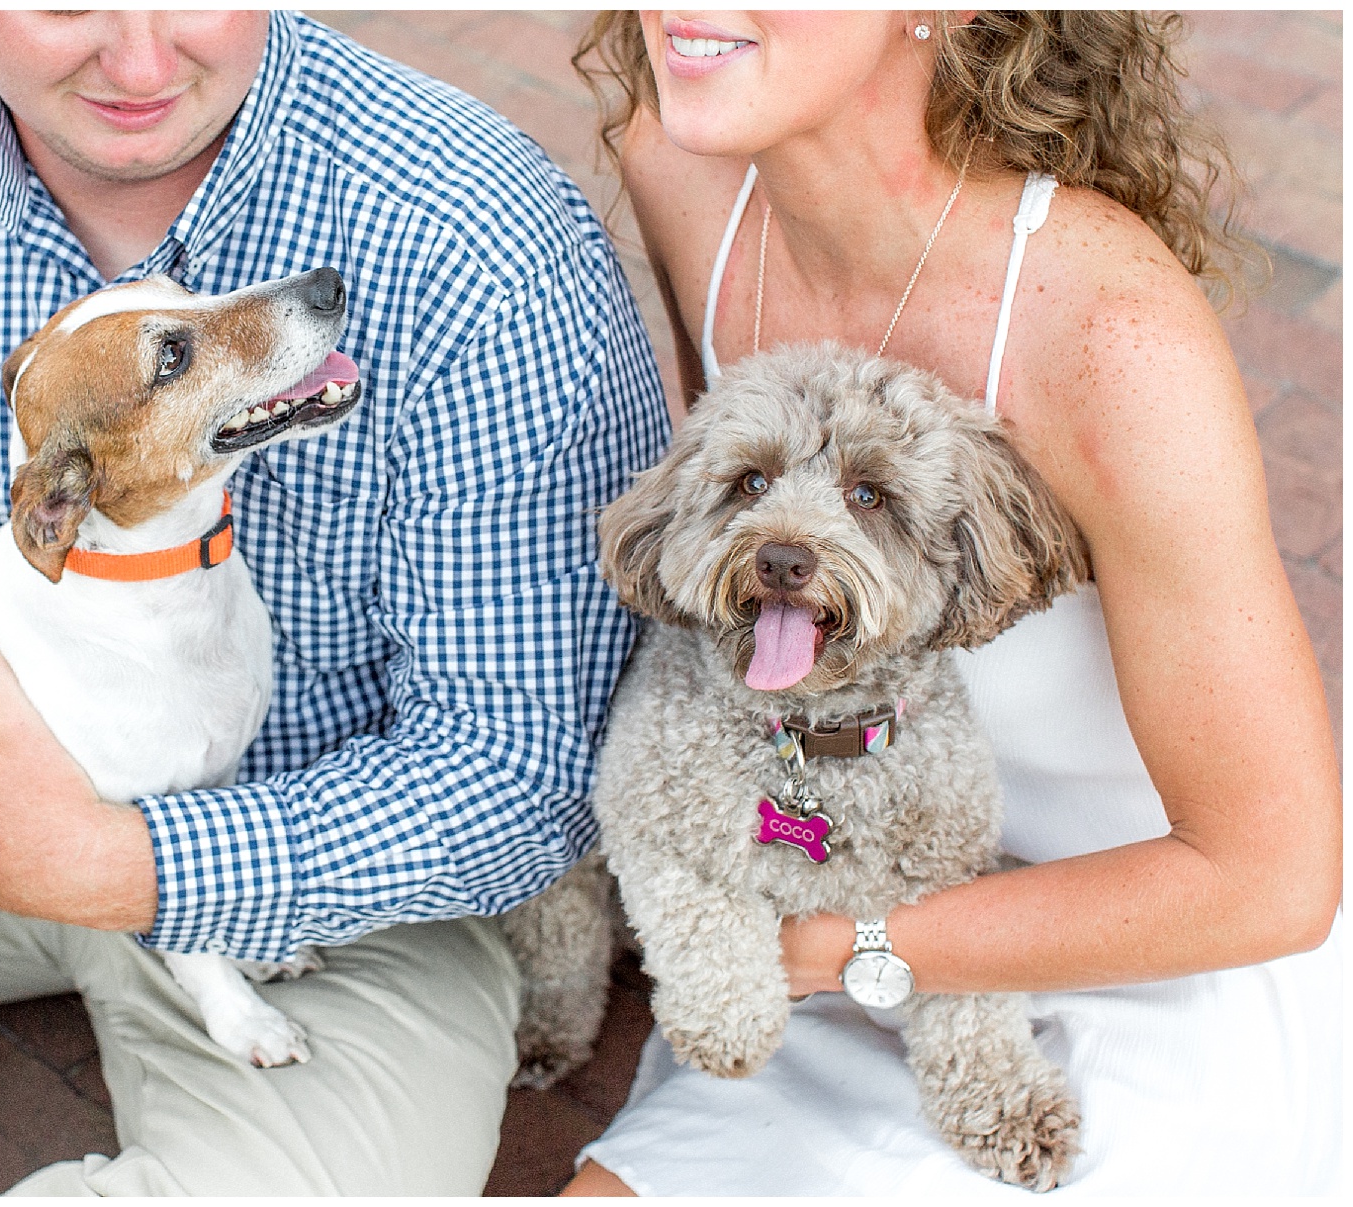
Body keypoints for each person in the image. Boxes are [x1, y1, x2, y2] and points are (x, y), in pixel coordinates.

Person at [0, 10, 668, 1195]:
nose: (140, 64)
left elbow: (519, 772)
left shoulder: (471, 231)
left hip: (318, 875)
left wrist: (121, 861)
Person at [561, 10, 1341, 1197]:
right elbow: (718, 546)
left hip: (1129, 952)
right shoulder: (682, 164)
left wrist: (831, 953)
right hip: (821, 871)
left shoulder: (1114, 333)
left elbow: (1269, 881)